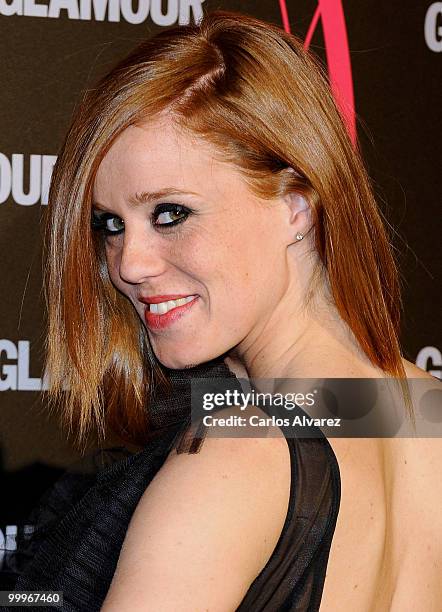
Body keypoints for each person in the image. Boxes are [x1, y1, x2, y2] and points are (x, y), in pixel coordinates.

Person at [10, 9, 442, 612]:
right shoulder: (426, 413)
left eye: (171, 214)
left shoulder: (234, 456)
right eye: (110, 225)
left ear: (297, 205)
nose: (127, 264)